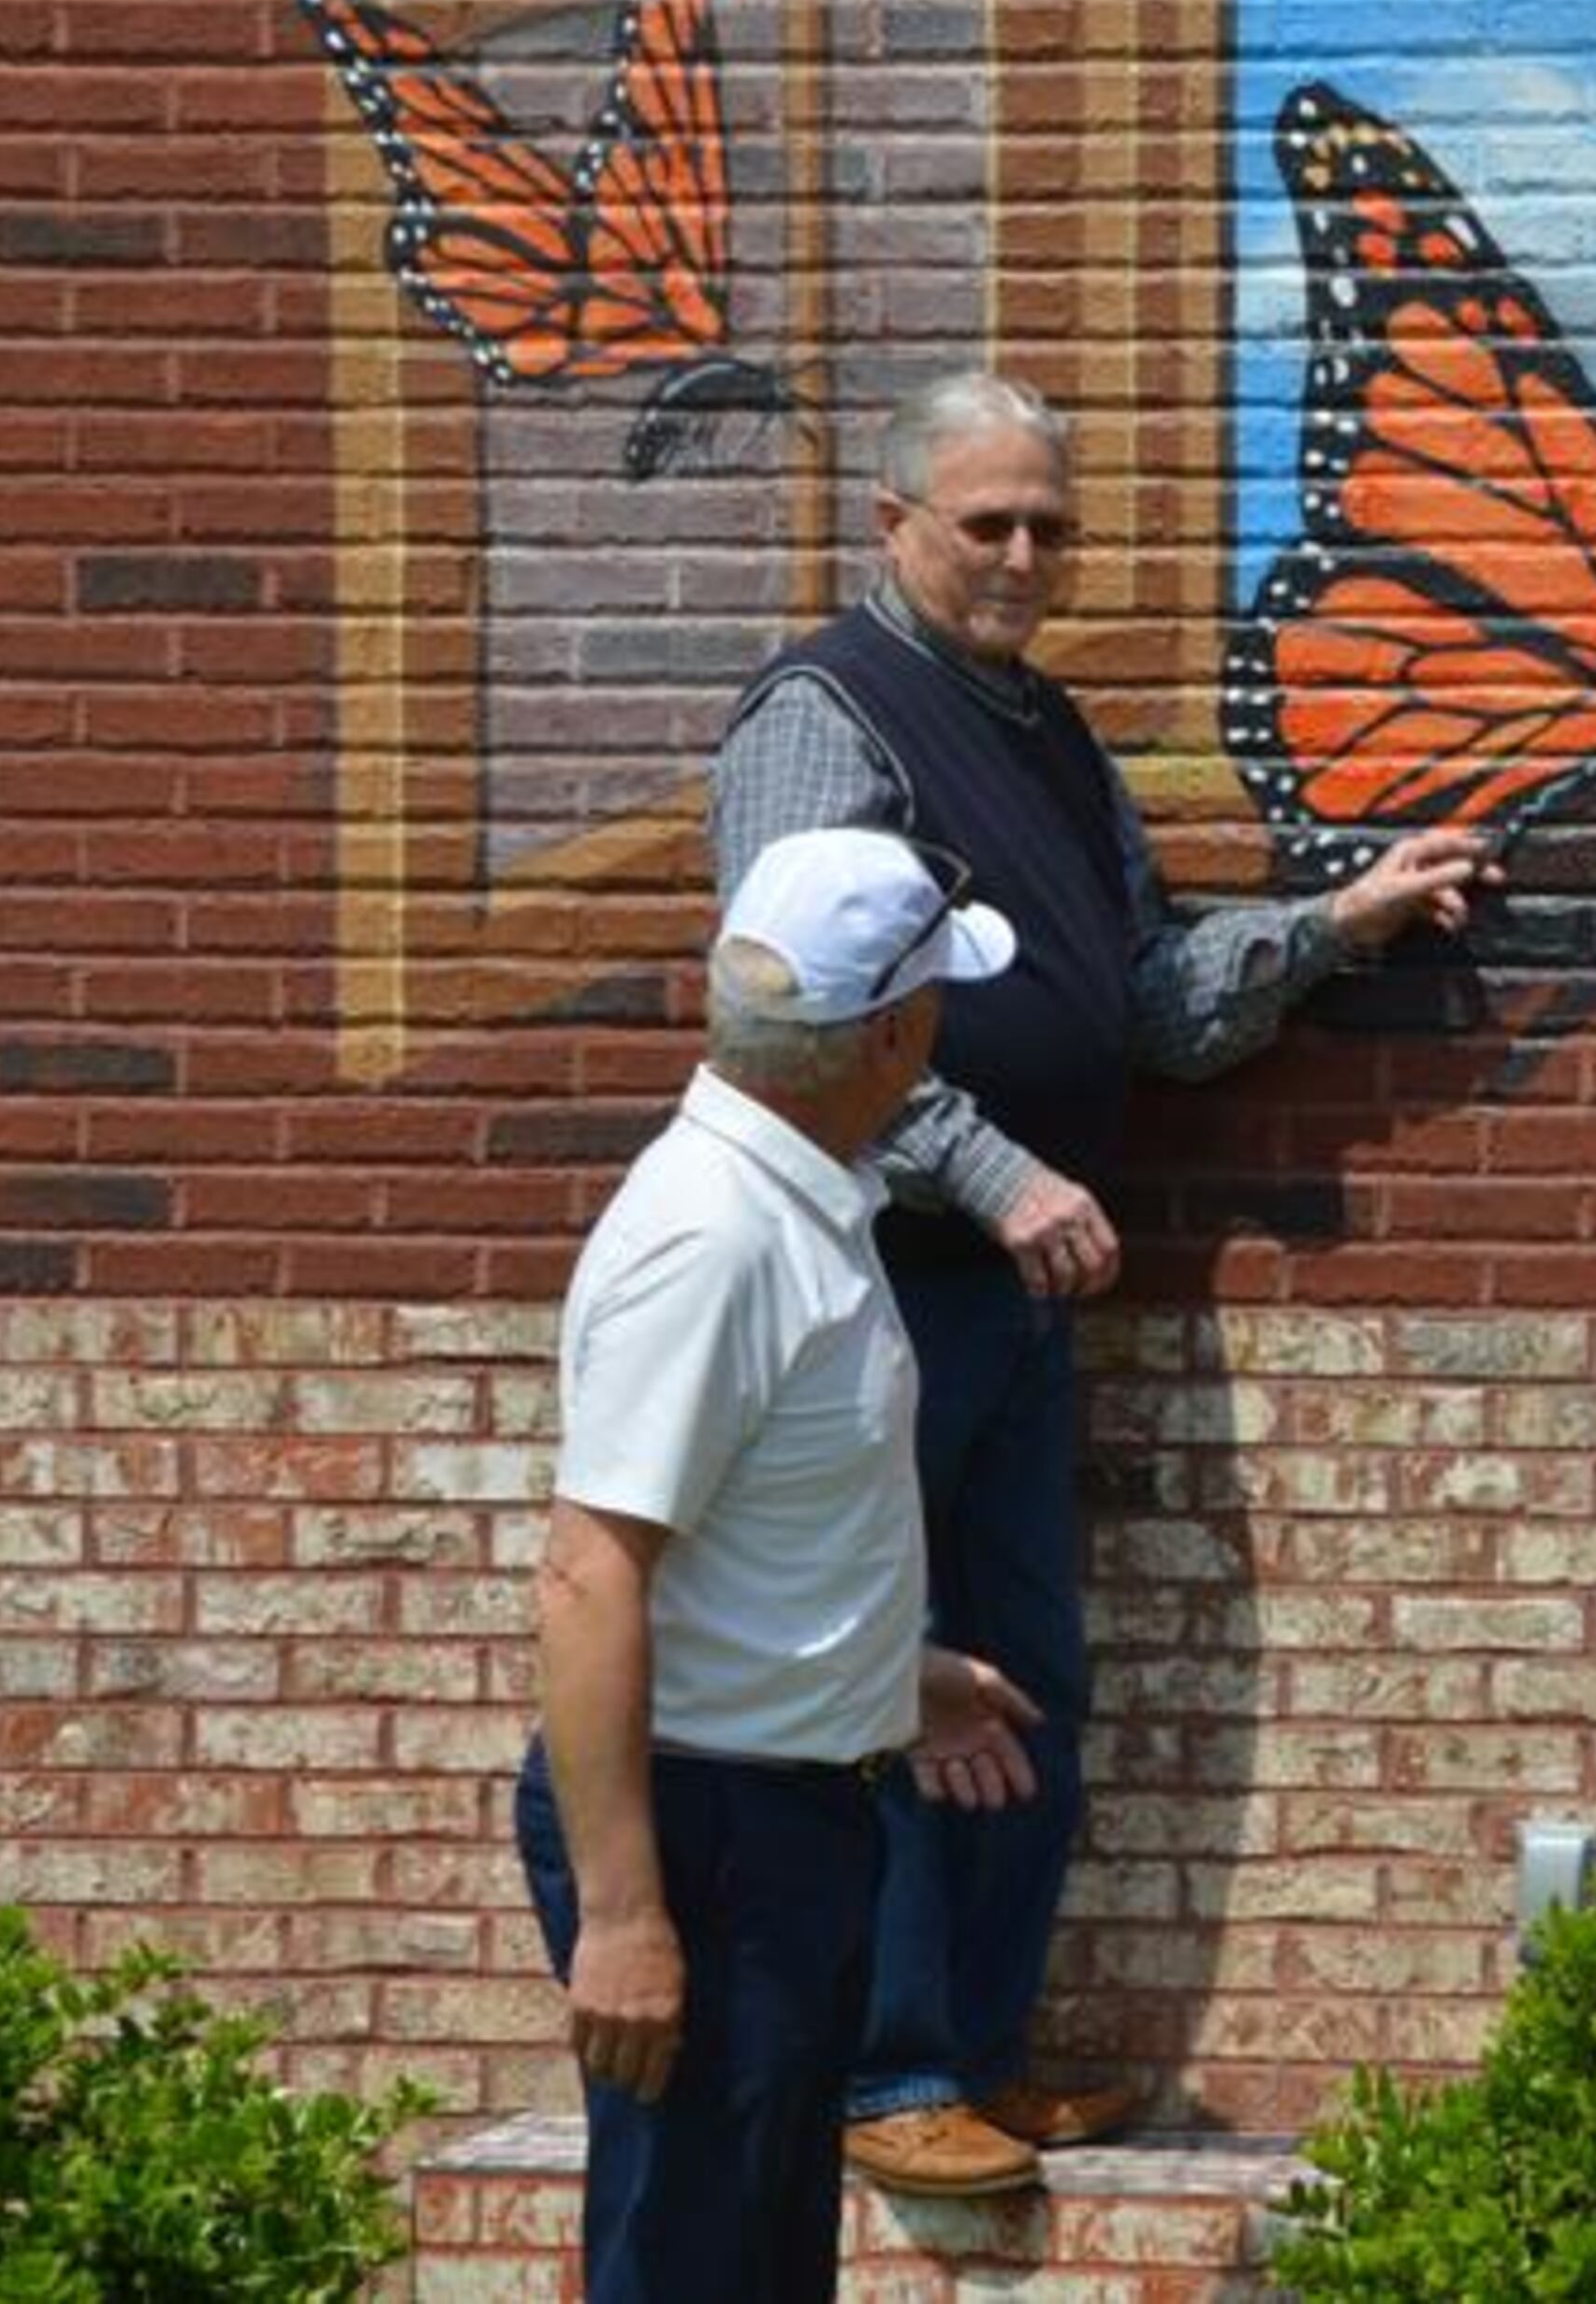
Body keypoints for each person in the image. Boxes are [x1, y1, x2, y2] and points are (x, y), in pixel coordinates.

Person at [710, 367, 1495, 2196]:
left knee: (1022, 1670)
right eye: (986, 521)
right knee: (884, 1677)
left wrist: (1331, 926)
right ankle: (883, 2067)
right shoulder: (835, 715)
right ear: (894, 526)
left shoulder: (1050, 737)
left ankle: (970, 2047)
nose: (1023, 553)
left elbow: (1138, 995)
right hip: (867, 1281)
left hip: (1006, 1304)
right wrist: (991, 1169)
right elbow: (772, 1020)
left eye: (1050, 524)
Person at [515, 825, 1047, 2303]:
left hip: (776, 1818)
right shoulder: (717, 1235)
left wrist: (891, 1675)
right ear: (893, 1033)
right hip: (706, 1831)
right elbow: (588, 1571)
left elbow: (744, 1530)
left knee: (751, 2256)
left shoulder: (794, 1195)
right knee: (694, 2259)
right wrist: (628, 1915)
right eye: (936, 1002)